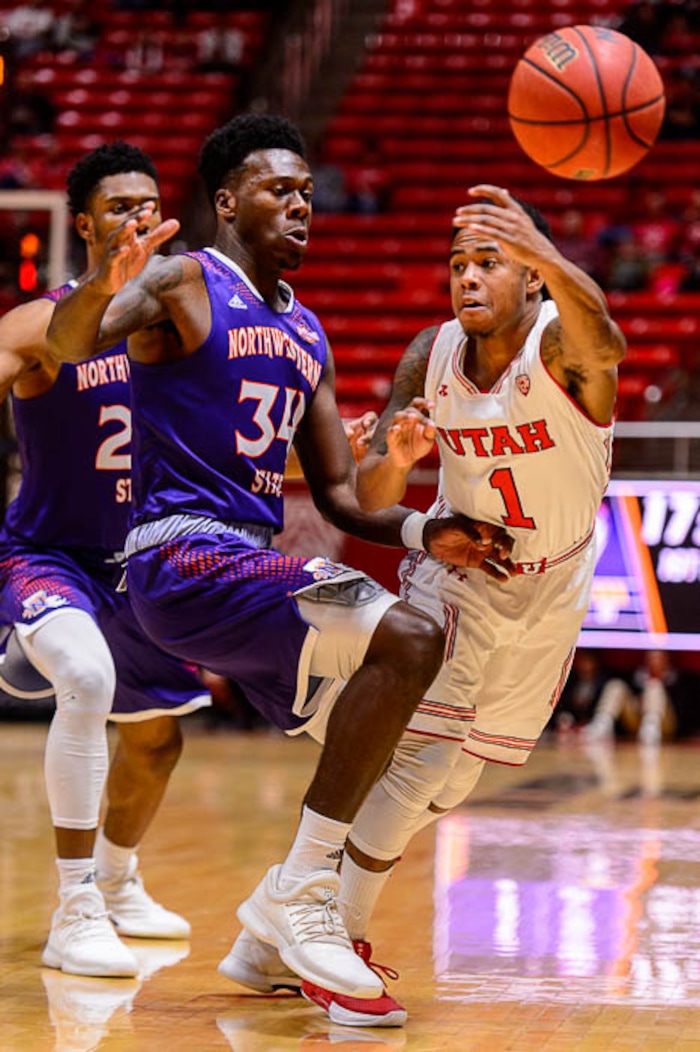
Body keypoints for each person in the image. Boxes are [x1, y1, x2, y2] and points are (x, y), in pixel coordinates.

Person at [45, 114, 515, 1011]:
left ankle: (268, 940)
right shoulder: (183, 283)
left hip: (244, 568)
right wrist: (110, 280)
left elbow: (340, 496)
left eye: (306, 190)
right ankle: (302, 894)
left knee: (415, 745)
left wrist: (422, 528)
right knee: (408, 639)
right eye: (278, 189)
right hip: (178, 554)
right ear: (226, 203)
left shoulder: (309, 335)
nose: (301, 204)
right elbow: (71, 346)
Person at [247, 184, 623, 1026]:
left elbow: (612, 340)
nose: (467, 277)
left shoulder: (564, 343)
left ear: (532, 279)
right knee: (420, 764)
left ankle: (267, 939)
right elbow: (376, 489)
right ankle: (326, 936)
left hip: (555, 585)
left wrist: (547, 251)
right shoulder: (431, 352)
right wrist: (404, 453)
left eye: (489, 262)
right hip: (458, 573)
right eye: (457, 264)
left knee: (454, 780)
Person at [0, 142, 213, 979]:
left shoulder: (182, 332)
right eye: (119, 205)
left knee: (157, 741)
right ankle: (74, 906)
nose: (137, 216)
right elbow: (56, 338)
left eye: (148, 202)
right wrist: (101, 287)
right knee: (86, 681)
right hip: (49, 555)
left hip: (142, 567)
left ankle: (121, 883)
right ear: (83, 224)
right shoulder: (37, 323)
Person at [584, 649, 682, 745]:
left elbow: (683, 711)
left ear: (666, 660)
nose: (653, 661)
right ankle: (602, 723)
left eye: (657, 658)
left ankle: (651, 727)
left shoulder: (677, 679)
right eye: (651, 658)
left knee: (654, 686)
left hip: (665, 723)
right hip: (638, 721)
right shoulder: (636, 677)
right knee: (616, 685)